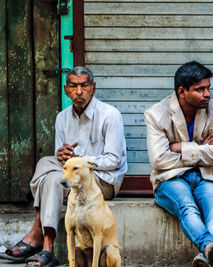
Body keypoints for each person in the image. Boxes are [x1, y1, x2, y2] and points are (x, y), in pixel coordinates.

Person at [0, 66, 127, 267]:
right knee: (48, 168)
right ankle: (47, 246)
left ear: (93, 88)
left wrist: (80, 159)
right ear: (66, 89)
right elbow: (62, 165)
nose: (79, 92)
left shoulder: (110, 115)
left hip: (102, 182)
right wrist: (63, 157)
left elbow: (114, 160)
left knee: (50, 174)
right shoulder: (62, 118)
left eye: (84, 86)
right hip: (72, 181)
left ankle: (38, 236)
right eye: (73, 86)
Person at [144, 61, 213, 267]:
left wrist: (180, 147)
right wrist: (201, 146)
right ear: (182, 91)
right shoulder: (156, 114)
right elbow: (159, 159)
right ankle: (210, 247)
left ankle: (206, 254)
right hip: (170, 179)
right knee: (187, 207)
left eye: (208, 87)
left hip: (206, 175)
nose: (207, 94)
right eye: (200, 89)